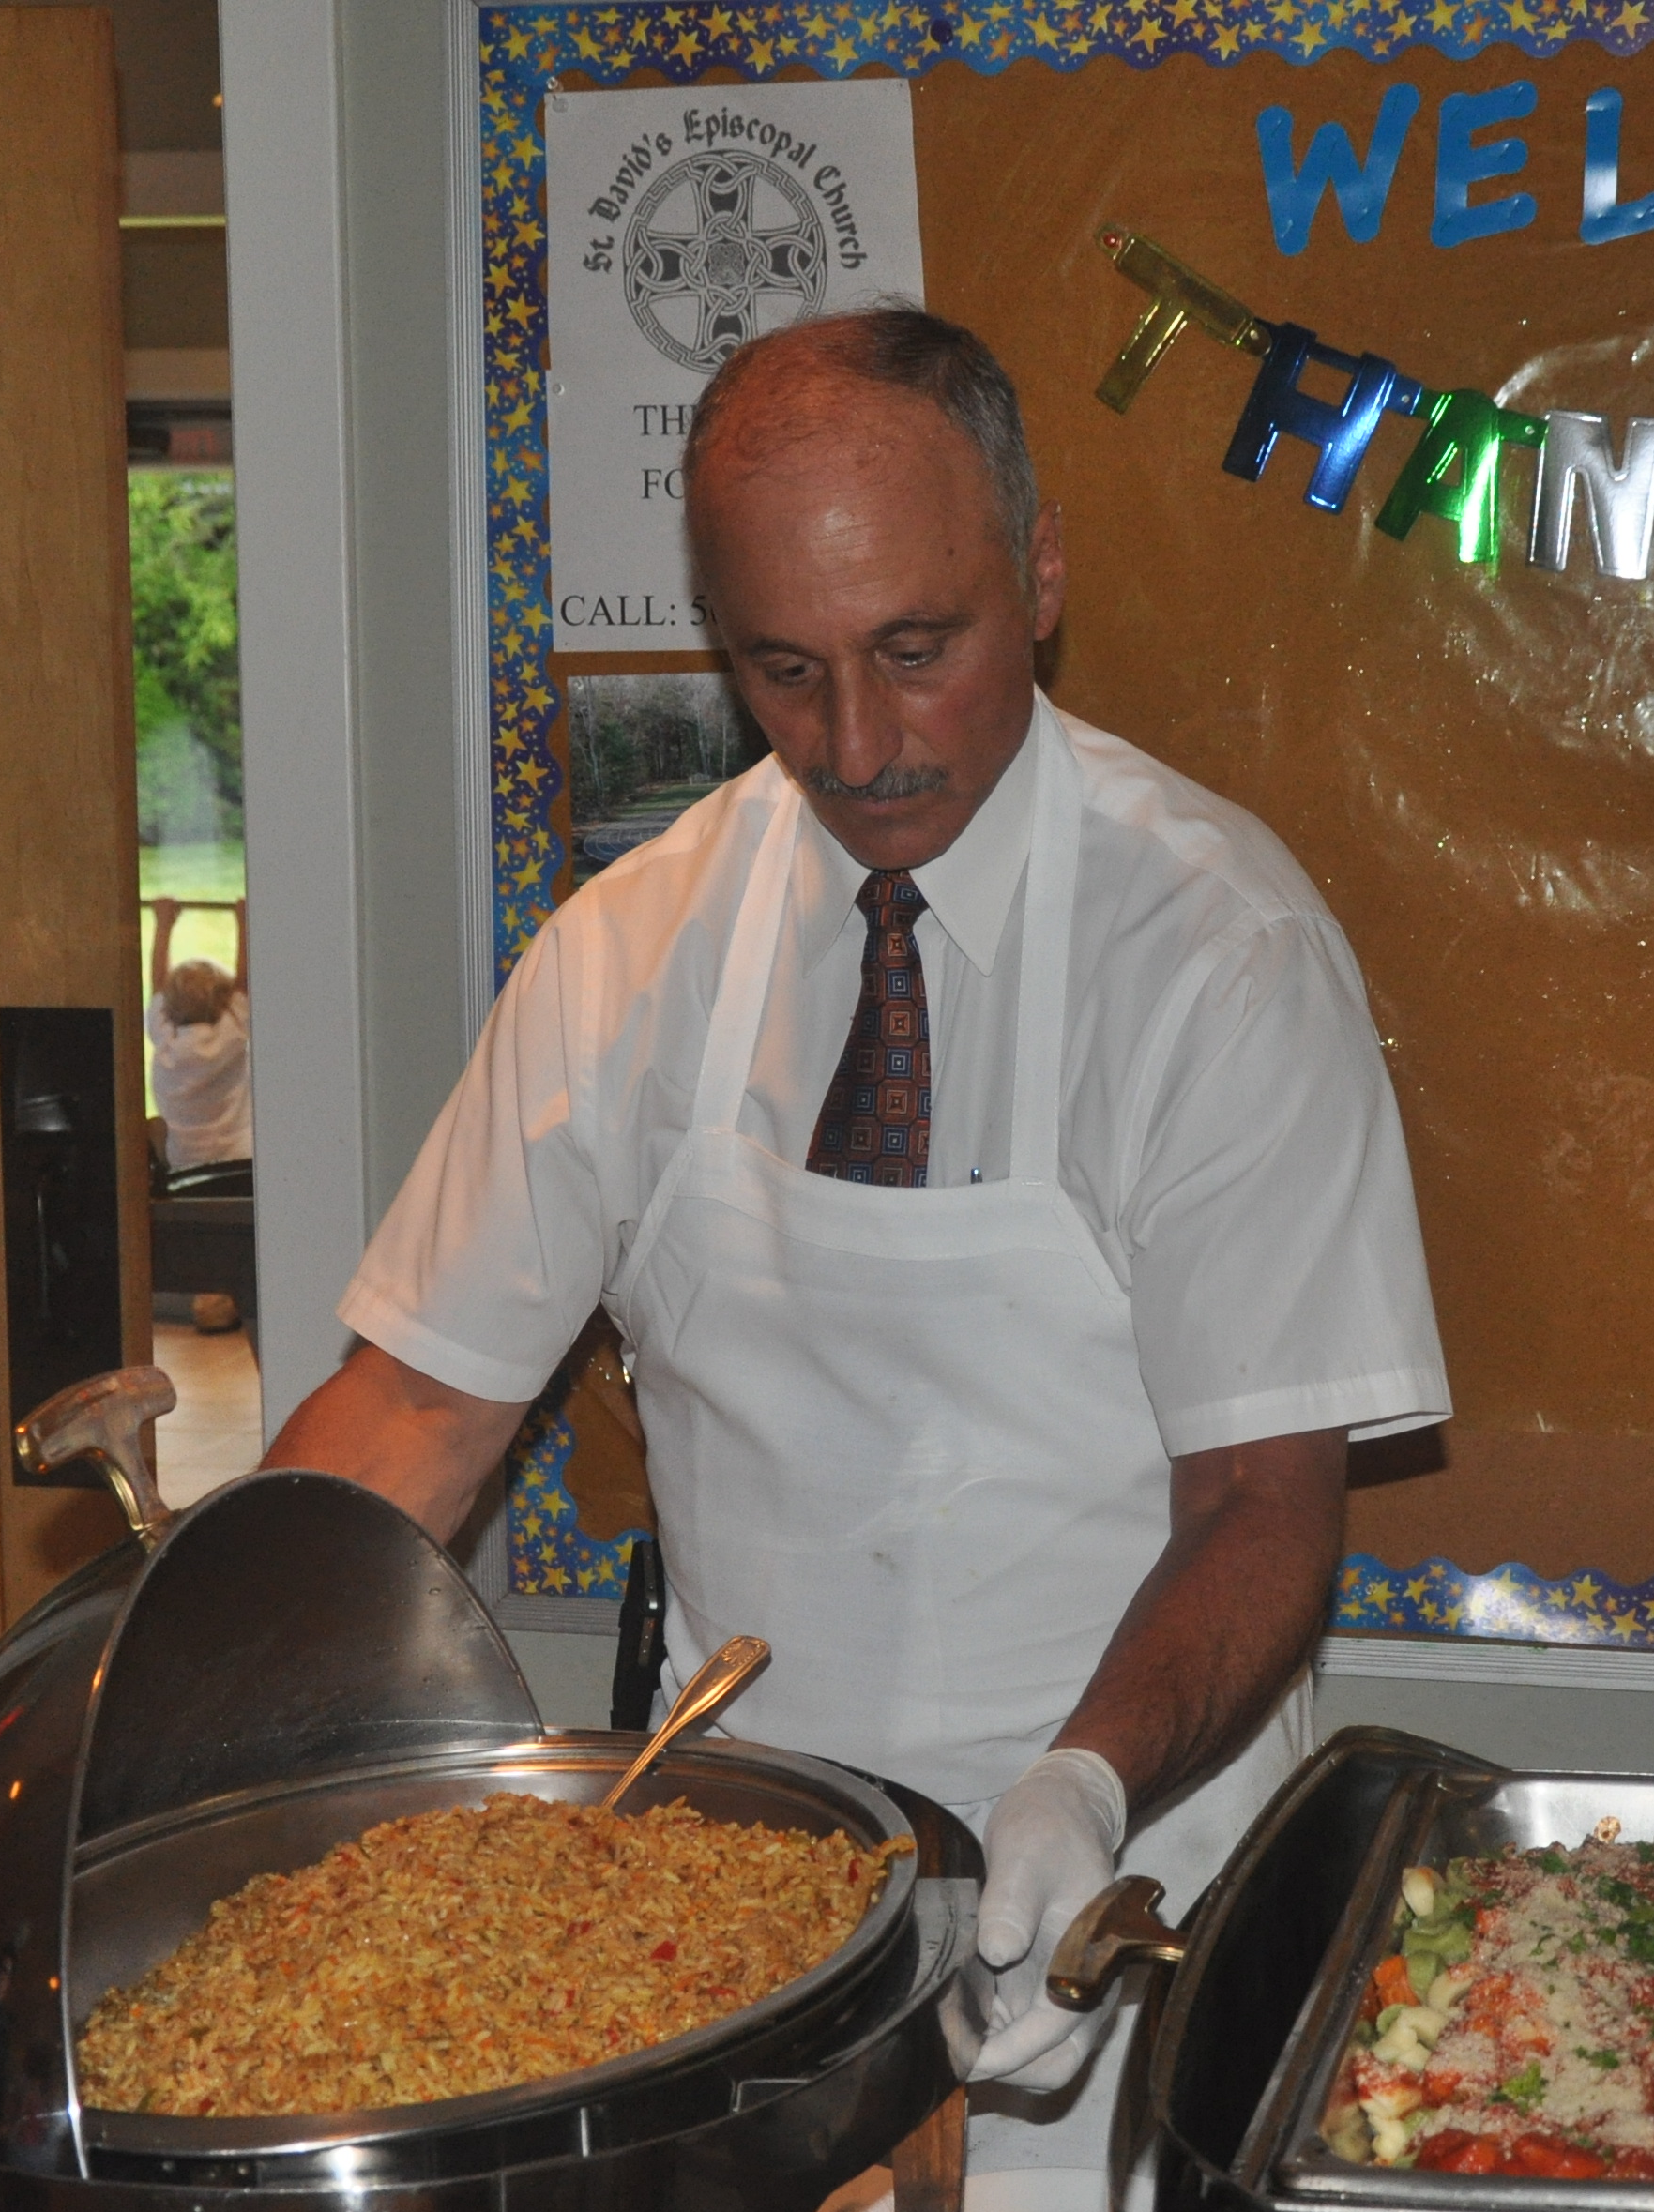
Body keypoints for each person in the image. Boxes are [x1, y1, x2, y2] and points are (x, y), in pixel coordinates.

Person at [265, 306, 1444, 2107]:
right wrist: (190, 1710)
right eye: (785, 671)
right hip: (738, 1939)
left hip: (1140, 1900)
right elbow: (420, 1407)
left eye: (915, 648)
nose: (860, 739)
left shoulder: (1216, 952)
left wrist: (1081, 1788)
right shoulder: (629, 953)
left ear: (1037, 574)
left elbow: (1260, 1498)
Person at [146, 896, 252, 1334]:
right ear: (224, 1002)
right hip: (238, 1163)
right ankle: (229, 1295)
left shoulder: (167, 1042)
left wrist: (163, 923)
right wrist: (244, 921)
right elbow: (245, 981)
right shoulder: (233, 1033)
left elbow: (155, 984)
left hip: (186, 1166)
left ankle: (216, 1293)